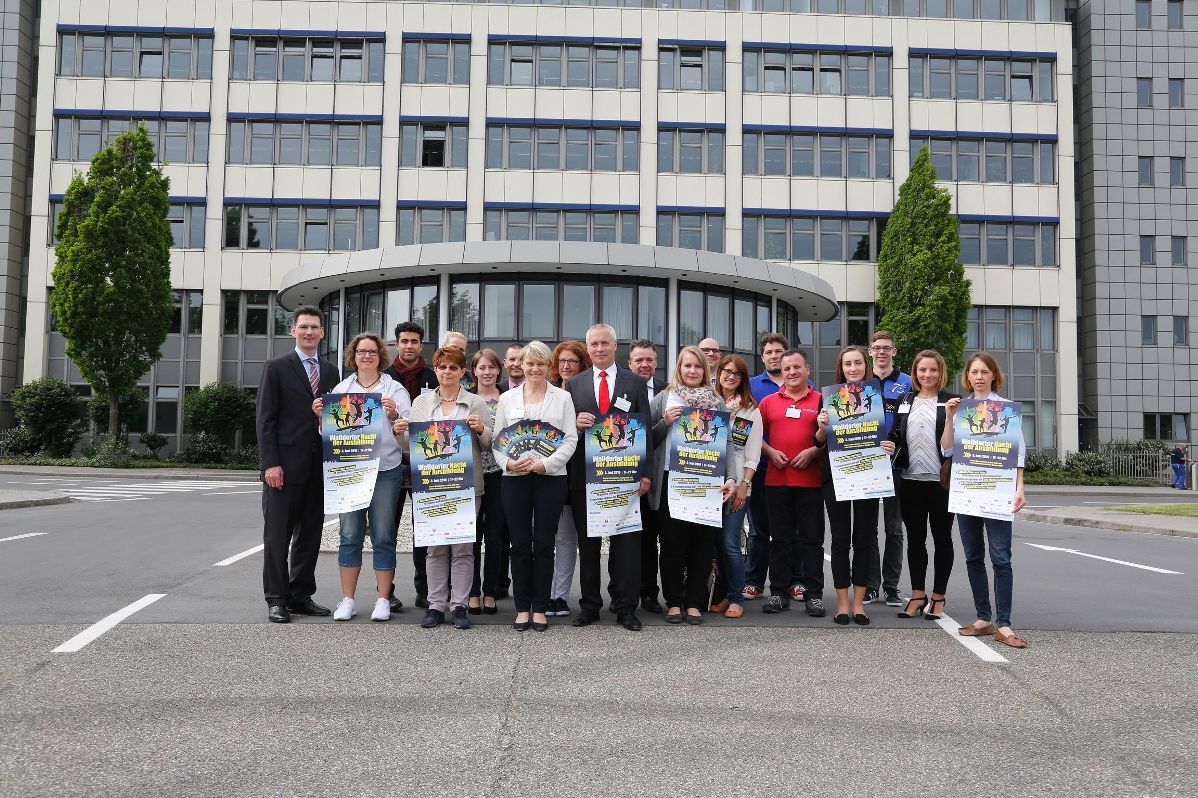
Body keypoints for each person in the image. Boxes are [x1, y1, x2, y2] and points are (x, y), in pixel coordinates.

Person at [393, 346, 493, 630]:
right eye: (442, 367)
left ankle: (459, 605)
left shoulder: (475, 403)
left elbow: (489, 445)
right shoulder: (421, 403)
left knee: (463, 549)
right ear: (435, 370)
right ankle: (436, 605)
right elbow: (411, 447)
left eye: (453, 367)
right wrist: (399, 434)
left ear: (463, 372)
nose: (447, 372)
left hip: (466, 486)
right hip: (432, 486)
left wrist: (480, 430)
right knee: (435, 548)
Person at [564, 323, 653, 632]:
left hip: (625, 477)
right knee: (588, 546)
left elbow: (645, 430)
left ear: (616, 347)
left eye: (605, 343)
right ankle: (589, 605)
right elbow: (563, 431)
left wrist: (645, 474)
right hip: (584, 477)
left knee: (626, 545)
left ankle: (626, 607)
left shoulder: (635, 383)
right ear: (588, 349)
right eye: (594, 344)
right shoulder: (574, 384)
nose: (599, 349)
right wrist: (574, 423)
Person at [319, 333, 412, 623]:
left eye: (373, 351)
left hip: (385, 470)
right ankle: (348, 599)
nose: (367, 356)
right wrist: (319, 417)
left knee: (384, 536)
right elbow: (329, 435)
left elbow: (409, 435)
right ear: (354, 355)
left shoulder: (394, 389)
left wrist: (395, 414)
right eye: (362, 351)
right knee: (349, 535)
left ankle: (383, 600)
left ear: (380, 355)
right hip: (350, 472)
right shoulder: (342, 388)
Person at [256, 305, 340, 623]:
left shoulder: (331, 372)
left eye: (314, 327)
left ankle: (300, 594)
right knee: (277, 535)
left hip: (319, 466)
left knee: (310, 536)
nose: (309, 332)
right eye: (303, 327)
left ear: (322, 332)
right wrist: (270, 464)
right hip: (284, 468)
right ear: (293, 330)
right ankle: (276, 598)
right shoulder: (276, 367)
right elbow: (265, 420)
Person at [942, 352, 1028, 649]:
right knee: (972, 556)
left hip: (998, 492)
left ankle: (1004, 623)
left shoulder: (1006, 409)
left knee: (1001, 557)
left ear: (994, 375)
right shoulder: (961, 408)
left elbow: (1018, 453)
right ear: (967, 376)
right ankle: (983, 618)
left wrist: (1020, 488)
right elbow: (946, 450)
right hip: (968, 491)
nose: (978, 376)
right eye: (973, 372)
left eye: (984, 372)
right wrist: (950, 419)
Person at [493, 341, 579, 631]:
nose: (534, 368)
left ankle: (540, 607)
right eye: (530, 363)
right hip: (514, 479)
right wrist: (507, 463)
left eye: (541, 364)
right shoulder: (507, 398)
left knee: (544, 543)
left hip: (551, 479)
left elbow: (570, 439)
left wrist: (547, 464)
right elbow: (498, 441)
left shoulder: (562, 398)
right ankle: (522, 607)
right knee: (519, 544)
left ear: (548, 366)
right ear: (522, 365)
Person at [648, 346, 735, 624]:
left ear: (705, 370)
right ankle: (674, 602)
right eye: (687, 366)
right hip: (671, 481)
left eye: (698, 366)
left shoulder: (717, 402)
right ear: (679, 368)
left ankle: (695, 602)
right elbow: (644, 439)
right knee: (673, 545)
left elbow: (729, 442)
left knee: (702, 544)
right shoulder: (663, 399)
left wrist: (732, 477)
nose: (693, 371)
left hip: (707, 482)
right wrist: (664, 422)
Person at [815, 346, 895, 626]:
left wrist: (889, 445)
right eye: (848, 363)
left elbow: (890, 435)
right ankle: (842, 604)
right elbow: (818, 441)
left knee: (864, 539)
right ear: (842, 367)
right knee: (839, 541)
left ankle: (859, 604)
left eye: (858, 363)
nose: (853, 368)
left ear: (866, 365)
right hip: (836, 477)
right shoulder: (828, 399)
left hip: (869, 475)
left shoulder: (878, 397)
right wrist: (822, 425)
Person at [889, 349, 956, 622]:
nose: (927, 375)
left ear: (941, 373)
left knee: (942, 539)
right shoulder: (905, 400)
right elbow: (896, 432)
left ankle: (938, 596)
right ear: (915, 373)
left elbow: (955, 444)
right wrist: (889, 443)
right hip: (910, 481)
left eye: (933, 370)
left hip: (940, 483)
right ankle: (918, 595)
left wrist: (952, 416)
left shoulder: (952, 401)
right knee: (915, 540)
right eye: (922, 370)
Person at [757, 348, 826, 617]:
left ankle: (814, 595)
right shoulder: (769, 402)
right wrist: (770, 452)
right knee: (780, 541)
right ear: (781, 372)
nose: (792, 372)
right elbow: (754, 437)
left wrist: (813, 451)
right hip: (777, 481)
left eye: (797, 367)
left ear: (807, 369)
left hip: (811, 482)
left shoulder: (822, 400)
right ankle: (778, 593)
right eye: (787, 369)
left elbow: (834, 439)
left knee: (812, 541)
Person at [383, 321, 438, 611]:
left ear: (421, 345)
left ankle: (425, 589)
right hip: (392, 463)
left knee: (425, 529)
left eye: (414, 341)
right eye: (404, 341)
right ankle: (386, 591)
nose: (409, 346)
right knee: (387, 528)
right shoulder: (384, 378)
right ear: (396, 343)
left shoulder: (433, 376)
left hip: (425, 465)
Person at [708, 354, 762, 620]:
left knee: (730, 543)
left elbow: (752, 454)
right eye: (726, 371)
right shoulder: (707, 403)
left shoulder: (750, 410)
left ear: (743, 380)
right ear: (718, 373)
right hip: (706, 485)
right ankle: (727, 593)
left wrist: (744, 485)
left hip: (737, 487)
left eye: (737, 374)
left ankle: (737, 598)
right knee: (716, 546)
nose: (730, 376)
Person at [865, 330, 913, 607]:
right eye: (876, 348)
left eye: (886, 348)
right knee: (869, 529)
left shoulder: (908, 383)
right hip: (865, 467)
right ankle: (871, 586)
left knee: (894, 529)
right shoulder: (861, 382)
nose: (881, 352)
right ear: (870, 352)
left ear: (894, 352)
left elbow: (913, 422)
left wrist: (897, 444)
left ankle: (892, 587)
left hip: (896, 465)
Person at [548, 340, 591, 616]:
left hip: (578, 474)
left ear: (581, 364)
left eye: (572, 361)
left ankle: (559, 595)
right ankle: (543, 592)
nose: (566, 366)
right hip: (549, 472)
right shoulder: (548, 392)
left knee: (567, 538)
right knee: (541, 537)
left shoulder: (588, 392)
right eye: (562, 361)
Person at [744, 333, 788, 602]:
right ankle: (754, 581)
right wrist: (769, 452)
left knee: (789, 530)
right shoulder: (750, 386)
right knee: (758, 530)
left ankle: (794, 581)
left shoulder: (804, 384)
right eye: (769, 352)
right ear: (762, 357)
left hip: (792, 469)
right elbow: (744, 427)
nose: (774, 356)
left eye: (779, 351)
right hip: (759, 468)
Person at [629, 339, 667, 613]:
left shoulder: (669, 393)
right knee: (635, 539)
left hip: (658, 478)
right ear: (630, 363)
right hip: (627, 474)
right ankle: (633, 591)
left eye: (649, 360)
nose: (644, 364)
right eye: (639, 360)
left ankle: (652, 594)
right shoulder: (623, 388)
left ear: (656, 362)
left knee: (656, 536)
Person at [469, 348, 508, 615]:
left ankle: (491, 591)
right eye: (482, 367)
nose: (487, 372)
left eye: (491, 367)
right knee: (471, 536)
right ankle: (472, 591)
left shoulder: (508, 399)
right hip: (470, 474)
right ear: (474, 371)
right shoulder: (466, 399)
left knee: (495, 536)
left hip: (499, 474)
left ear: (498, 370)